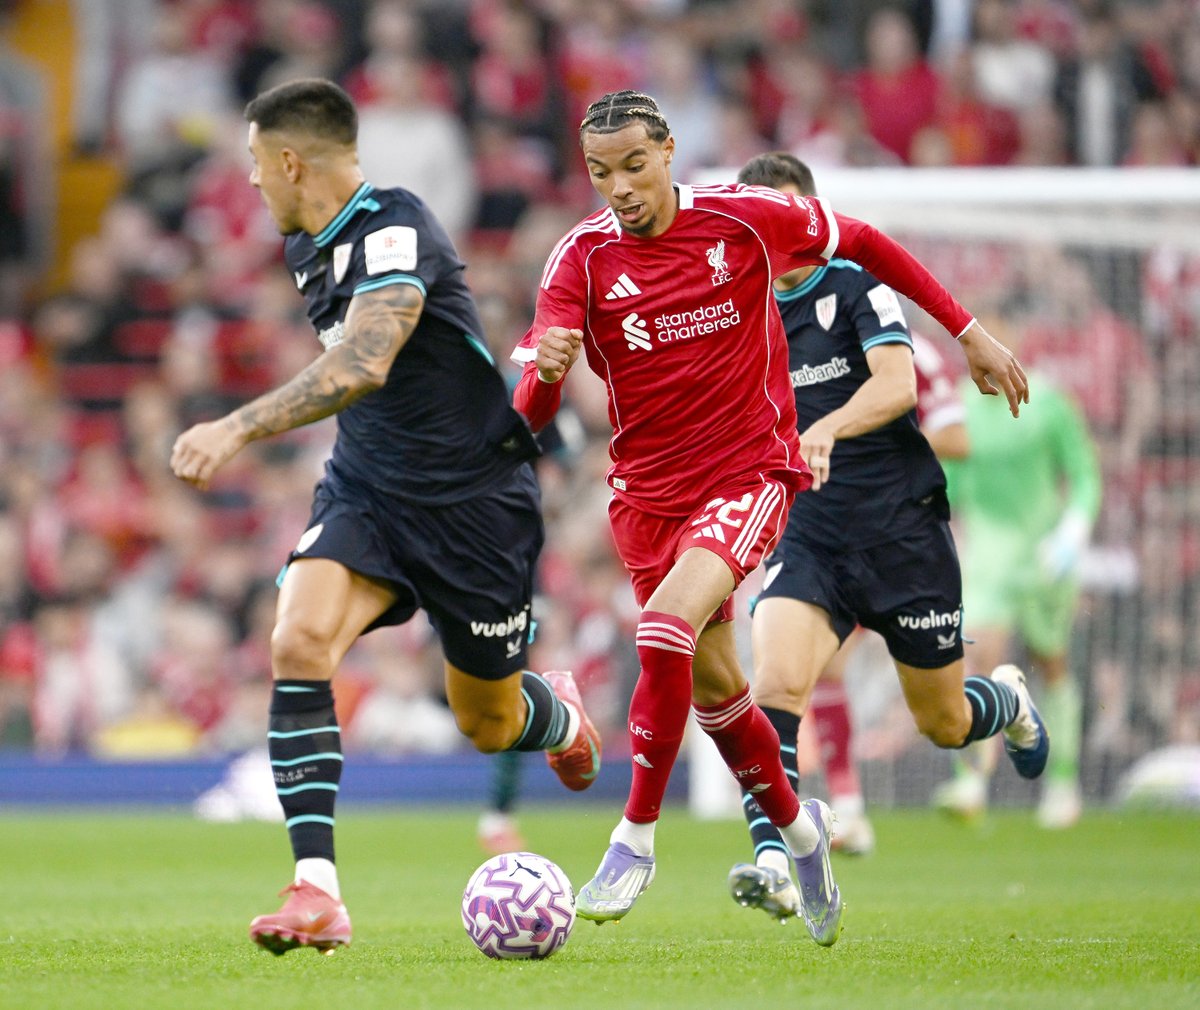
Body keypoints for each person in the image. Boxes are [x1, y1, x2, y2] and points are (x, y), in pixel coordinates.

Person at [509, 93, 1028, 945]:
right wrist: (546, 374)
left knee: (665, 628)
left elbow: (864, 241)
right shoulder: (580, 259)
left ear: (668, 151)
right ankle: (802, 833)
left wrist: (966, 329)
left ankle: (634, 839)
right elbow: (529, 411)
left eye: (634, 166)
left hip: (751, 473)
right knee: (720, 691)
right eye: (602, 173)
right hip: (648, 498)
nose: (621, 188)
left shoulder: (744, 220)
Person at [170, 78, 601, 957]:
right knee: (298, 641)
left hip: (475, 504)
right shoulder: (305, 243)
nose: (250, 180)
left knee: (487, 722)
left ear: (291, 161)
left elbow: (367, 360)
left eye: (255, 162)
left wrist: (237, 426)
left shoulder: (395, 227)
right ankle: (317, 892)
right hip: (368, 489)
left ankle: (553, 714)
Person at [719, 151, 1049, 924]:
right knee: (776, 689)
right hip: (806, 531)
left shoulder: (855, 286)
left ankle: (1006, 699)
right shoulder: (739, 311)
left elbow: (897, 385)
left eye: (792, 214)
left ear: (813, 215)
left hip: (900, 529)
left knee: (944, 722)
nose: (781, 232)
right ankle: (776, 861)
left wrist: (827, 428)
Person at [807, 329, 970, 856]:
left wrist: (861, 439)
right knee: (820, 665)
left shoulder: (912, 349)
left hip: (905, 542)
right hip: (835, 537)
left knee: (943, 720)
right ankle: (848, 810)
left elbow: (956, 439)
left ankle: (1001, 711)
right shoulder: (805, 341)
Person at [932, 342, 1101, 829]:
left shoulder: (1048, 402)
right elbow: (951, 487)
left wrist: (1072, 532)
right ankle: (971, 781)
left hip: (1045, 554)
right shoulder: (960, 409)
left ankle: (1063, 783)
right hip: (989, 557)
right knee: (977, 658)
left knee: (1051, 663)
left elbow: (1084, 474)